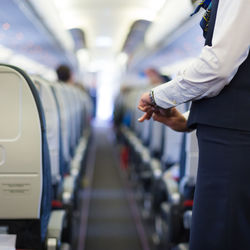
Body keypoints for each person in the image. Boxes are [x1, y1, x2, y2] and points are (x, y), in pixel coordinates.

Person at [137, 0, 250, 250]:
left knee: (218, 237)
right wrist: (189, 120)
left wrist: (158, 96)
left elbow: (218, 67)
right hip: (232, 142)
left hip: (232, 148)